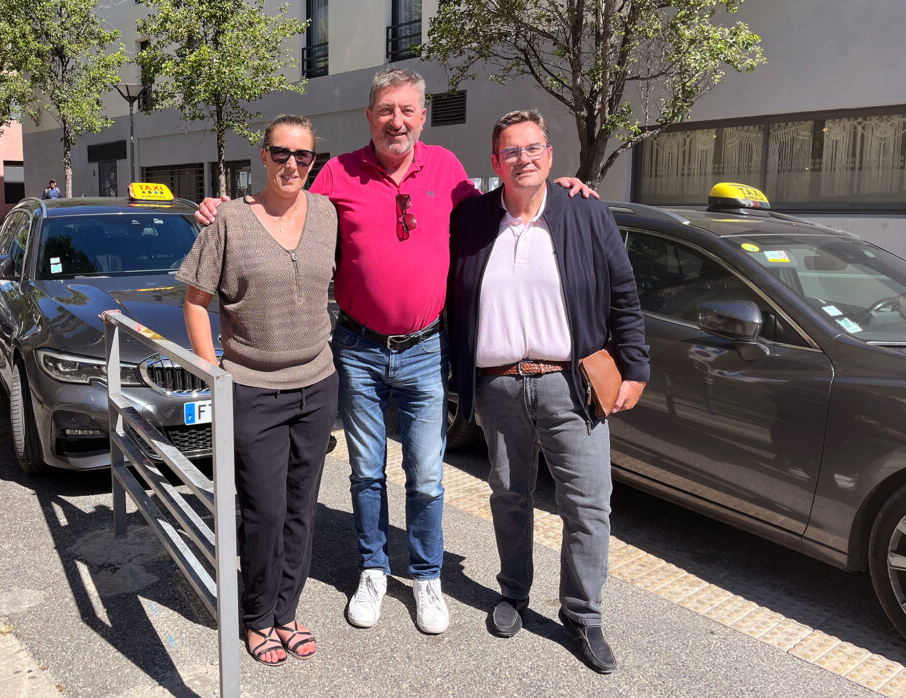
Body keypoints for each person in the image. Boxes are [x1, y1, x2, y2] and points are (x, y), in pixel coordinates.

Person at [196, 68, 596, 636]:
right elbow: (282, 206)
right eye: (386, 110)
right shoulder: (336, 172)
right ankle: (374, 568)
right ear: (370, 117)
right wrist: (225, 209)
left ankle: (427, 575)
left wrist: (562, 192)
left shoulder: (449, 171)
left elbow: (503, 209)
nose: (397, 121)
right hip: (357, 348)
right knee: (365, 472)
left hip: (425, 348)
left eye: (408, 110)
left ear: (423, 117)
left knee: (428, 474)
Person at [447, 110, 649, 673]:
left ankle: (582, 615)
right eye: (511, 152)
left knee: (588, 504)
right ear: (495, 162)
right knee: (508, 496)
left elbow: (623, 294)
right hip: (499, 388)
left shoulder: (585, 212)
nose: (523, 159)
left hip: (571, 384)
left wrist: (635, 368)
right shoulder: (470, 221)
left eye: (533, 148)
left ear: (550, 156)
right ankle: (513, 592)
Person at [176, 115, 339, 666]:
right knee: (263, 512)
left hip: (317, 385)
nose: (292, 164)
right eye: (281, 153)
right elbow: (196, 302)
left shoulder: (327, 215)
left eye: (304, 156)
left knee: (301, 507)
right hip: (253, 389)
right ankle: (257, 617)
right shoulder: (228, 221)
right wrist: (213, 371)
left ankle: (287, 612)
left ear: (313, 162)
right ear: (263, 157)